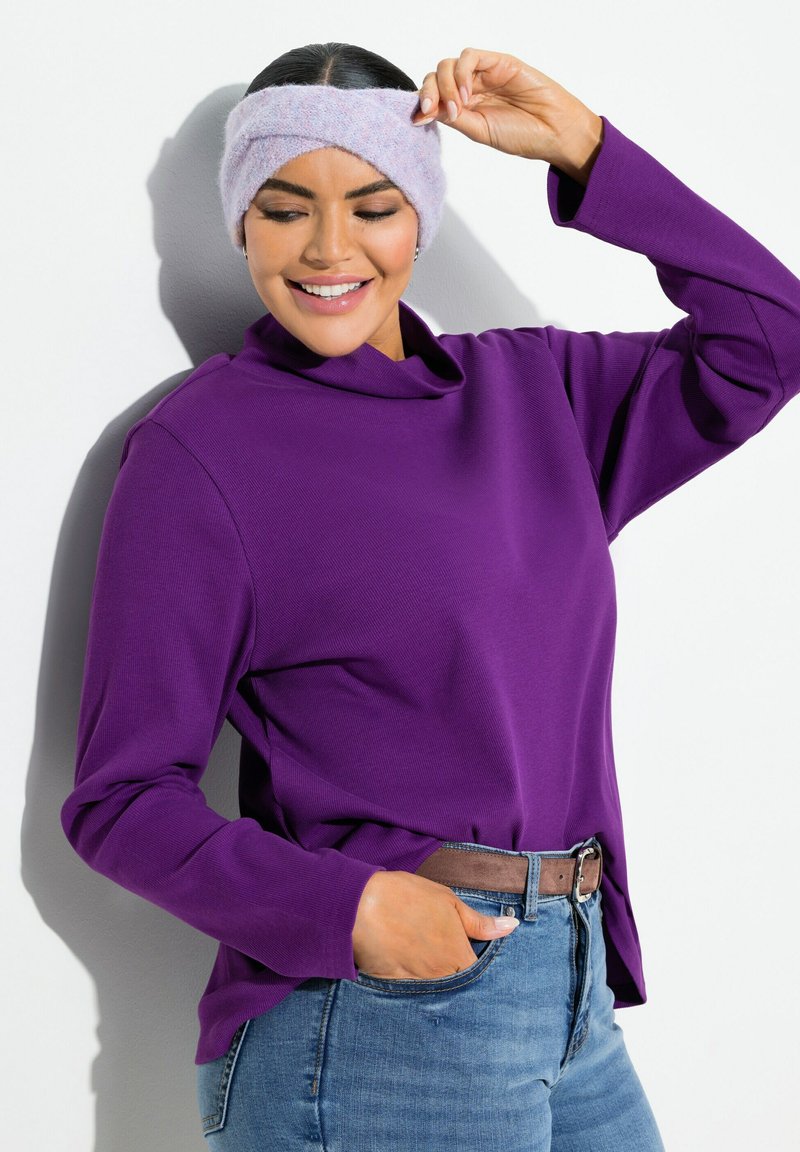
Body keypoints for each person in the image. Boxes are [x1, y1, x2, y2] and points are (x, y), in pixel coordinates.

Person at [60, 41, 800, 1151]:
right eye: (283, 209)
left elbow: (770, 338)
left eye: (374, 207)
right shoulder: (202, 452)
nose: (328, 249)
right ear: (240, 225)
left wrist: (585, 151)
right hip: (375, 1018)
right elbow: (121, 800)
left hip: (572, 988)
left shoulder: (539, 395)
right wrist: (353, 909)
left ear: (421, 220)